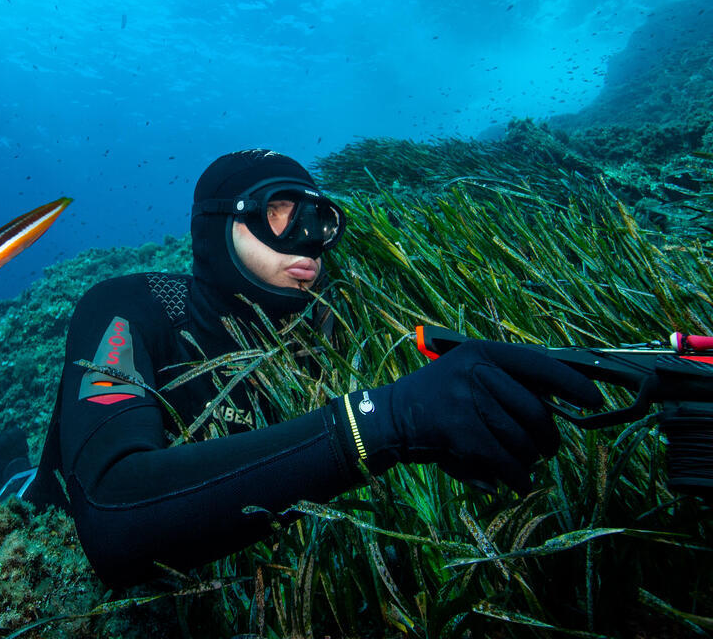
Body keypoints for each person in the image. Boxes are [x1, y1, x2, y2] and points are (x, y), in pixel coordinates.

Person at [33, 148, 602, 588]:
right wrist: (384, 421)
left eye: (318, 217)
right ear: (214, 228)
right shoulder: (133, 308)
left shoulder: (333, 322)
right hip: (56, 549)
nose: (308, 240)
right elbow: (113, 517)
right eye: (278, 214)